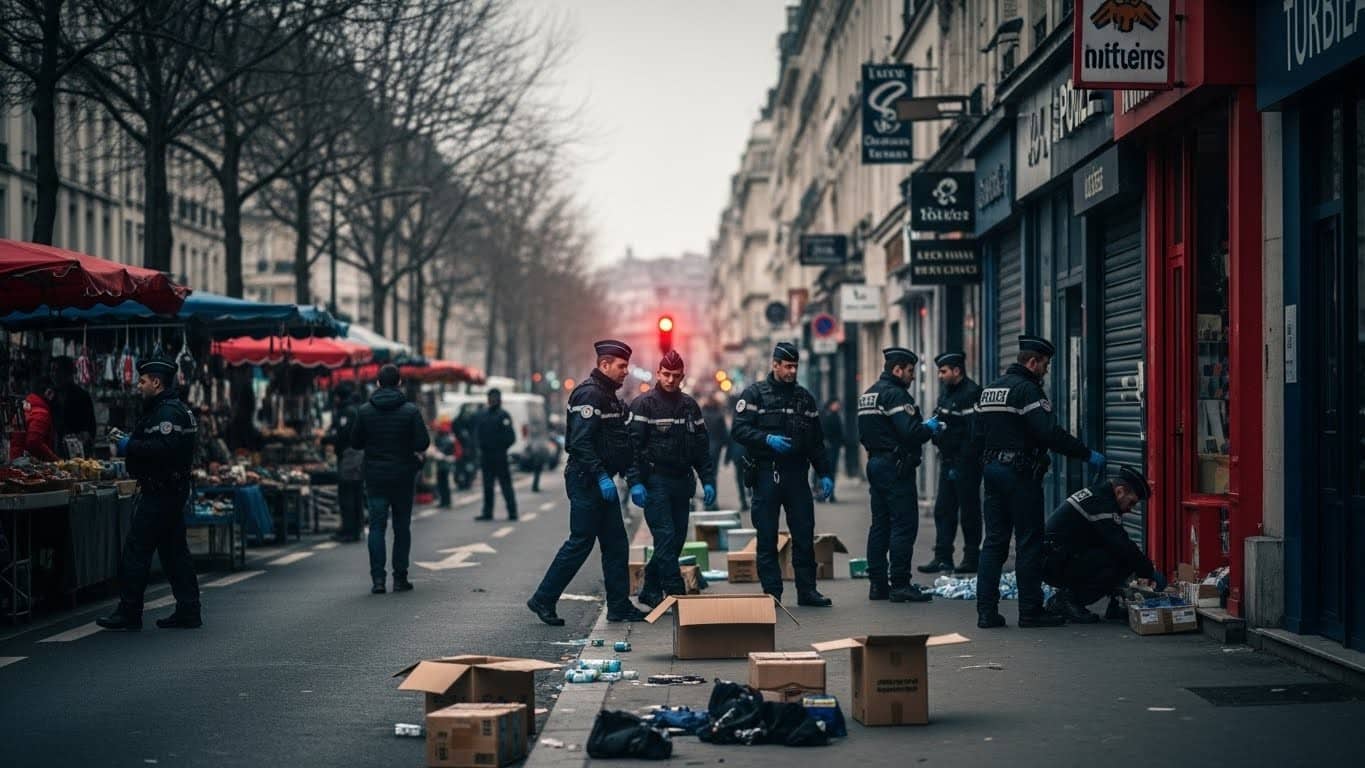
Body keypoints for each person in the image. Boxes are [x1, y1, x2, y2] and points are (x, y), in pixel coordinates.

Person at [973, 335, 1105, 629]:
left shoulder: (988, 392)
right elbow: (1049, 433)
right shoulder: (1028, 391)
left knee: (994, 543)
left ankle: (986, 613)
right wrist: (1086, 454)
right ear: (1032, 362)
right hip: (1020, 475)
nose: (1046, 371)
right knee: (1029, 542)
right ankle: (1030, 611)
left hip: (992, 471)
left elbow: (976, 437)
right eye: (1044, 365)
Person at [528, 340, 647, 626]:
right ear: (604, 365)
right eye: (621, 366)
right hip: (587, 479)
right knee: (580, 542)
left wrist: (633, 480)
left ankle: (618, 605)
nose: (626, 372)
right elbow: (580, 443)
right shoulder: (589, 396)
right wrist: (601, 476)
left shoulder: (612, 399)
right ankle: (543, 599)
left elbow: (623, 444)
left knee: (616, 544)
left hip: (601, 480)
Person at [97, 358, 201, 631]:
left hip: (161, 492)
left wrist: (129, 444)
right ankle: (189, 609)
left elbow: (163, 449)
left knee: (136, 550)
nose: (138, 386)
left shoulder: (167, 414)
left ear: (156, 382)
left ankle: (129, 612)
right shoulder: (171, 409)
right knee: (174, 551)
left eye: (142, 381)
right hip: (170, 490)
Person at [731, 342, 834, 607]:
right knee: (767, 536)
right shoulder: (754, 395)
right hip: (766, 474)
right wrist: (766, 439)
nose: (791, 371)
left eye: (794, 366)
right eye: (787, 366)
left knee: (803, 534)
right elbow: (739, 431)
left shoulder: (804, 398)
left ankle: (807, 591)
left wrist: (824, 473)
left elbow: (816, 441)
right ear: (774, 365)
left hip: (797, 475)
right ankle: (772, 593)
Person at [629, 350, 716, 607]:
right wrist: (635, 481)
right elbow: (632, 448)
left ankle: (649, 590)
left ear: (682, 377)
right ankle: (677, 596)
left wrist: (708, 479)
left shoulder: (690, 406)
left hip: (682, 481)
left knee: (676, 540)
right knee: (666, 536)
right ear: (658, 373)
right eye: (666, 374)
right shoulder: (644, 405)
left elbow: (701, 446)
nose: (670, 380)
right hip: (656, 480)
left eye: (675, 376)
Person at [857, 347, 939, 603]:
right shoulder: (895, 395)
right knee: (903, 524)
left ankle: (878, 585)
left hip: (875, 463)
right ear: (897, 370)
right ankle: (900, 583)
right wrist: (929, 428)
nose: (912, 377)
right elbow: (910, 432)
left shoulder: (869, 394)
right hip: (895, 467)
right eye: (910, 371)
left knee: (880, 525)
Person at [1043, 466, 1161, 623]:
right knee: (1122, 559)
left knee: (1120, 555)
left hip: (1058, 557)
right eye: (1131, 503)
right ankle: (1067, 600)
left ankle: (1116, 604)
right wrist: (1149, 571)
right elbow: (1122, 545)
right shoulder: (1101, 503)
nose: (1130, 510)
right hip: (1054, 562)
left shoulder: (1099, 495)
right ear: (1119, 492)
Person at [351, 364, 430, 594]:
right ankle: (400, 577)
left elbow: (355, 442)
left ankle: (377, 580)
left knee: (376, 526)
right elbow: (422, 443)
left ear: (377, 383)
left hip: (375, 476)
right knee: (401, 527)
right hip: (403, 476)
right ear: (399, 383)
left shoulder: (365, 411)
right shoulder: (410, 411)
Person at [919, 352, 984, 575]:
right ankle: (943, 556)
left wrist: (961, 462)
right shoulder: (946, 393)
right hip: (948, 462)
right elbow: (939, 422)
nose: (939, 375)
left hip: (966, 464)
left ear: (957, 370)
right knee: (943, 510)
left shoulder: (972, 393)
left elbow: (974, 434)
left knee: (969, 511)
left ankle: (971, 556)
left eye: (943, 371)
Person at [476, 389, 518, 521]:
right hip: (486, 456)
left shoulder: (503, 415)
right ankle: (487, 512)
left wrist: (501, 447)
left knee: (505, 485)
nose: (492, 400)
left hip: (500, 456)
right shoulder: (483, 415)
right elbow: (477, 434)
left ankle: (512, 512)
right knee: (488, 486)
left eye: (494, 398)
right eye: (490, 398)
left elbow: (511, 437)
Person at [49, 357, 96, 457]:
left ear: (67, 373)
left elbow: (91, 428)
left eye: (56, 370)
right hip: (53, 449)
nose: (53, 374)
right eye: (52, 370)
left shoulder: (82, 396)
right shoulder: (51, 395)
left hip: (75, 451)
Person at [9, 378, 59, 462]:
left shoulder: (26, 408)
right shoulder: (40, 413)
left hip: (17, 461)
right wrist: (56, 461)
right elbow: (34, 442)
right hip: (28, 466)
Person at [701, 392, 729, 510]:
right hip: (716, 450)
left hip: (703, 450)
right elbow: (724, 435)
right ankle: (712, 501)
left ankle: (706, 501)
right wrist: (723, 446)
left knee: (704, 475)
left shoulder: (702, 415)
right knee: (713, 475)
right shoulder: (719, 415)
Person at [818, 399, 844, 503]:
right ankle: (822, 494)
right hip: (829, 448)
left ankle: (830, 494)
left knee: (831, 472)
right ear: (830, 405)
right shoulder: (827, 416)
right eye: (836, 404)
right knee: (826, 472)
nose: (838, 406)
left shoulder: (835, 415)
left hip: (833, 448)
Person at [433, 422, 458, 509]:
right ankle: (445, 502)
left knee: (444, 483)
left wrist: (436, 451)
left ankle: (446, 502)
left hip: (444, 463)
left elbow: (442, 450)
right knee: (443, 483)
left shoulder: (444, 438)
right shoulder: (447, 438)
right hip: (444, 463)